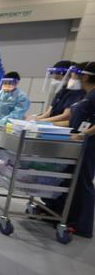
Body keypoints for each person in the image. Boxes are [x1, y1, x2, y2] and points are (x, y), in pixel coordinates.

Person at [46, 61, 95, 240]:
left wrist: (84, 135)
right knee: (72, 180)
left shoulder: (93, 95)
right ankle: (66, 216)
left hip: (88, 144)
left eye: (75, 74)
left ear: (86, 76)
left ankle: (83, 226)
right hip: (79, 141)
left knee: (83, 182)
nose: (72, 78)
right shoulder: (88, 95)